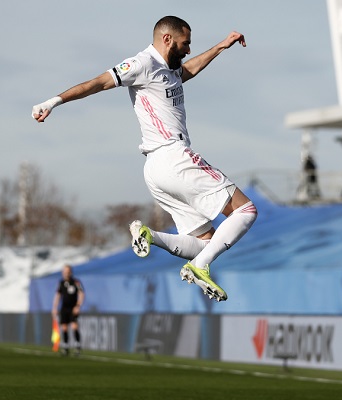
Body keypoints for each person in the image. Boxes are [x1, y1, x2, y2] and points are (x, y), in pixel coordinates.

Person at [32, 16, 257, 302]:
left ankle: (151, 236)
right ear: (167, 39)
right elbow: (98, 83)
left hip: (155, 170)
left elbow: (188, 69)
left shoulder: (170, 69)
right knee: (246, 210)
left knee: (207, 243)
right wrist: (53, 101)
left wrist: (222, 46)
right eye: (185, 43)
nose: (188, 50)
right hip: (174, 157)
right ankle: (200, 267)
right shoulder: (142, 64)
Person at [52, 265, 85, 356]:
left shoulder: (76, 282)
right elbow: (57, 296)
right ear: (63, 272)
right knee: (64, 327)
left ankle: (78, 347)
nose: (66, 273)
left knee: (74, 326)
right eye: (65, 271)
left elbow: (82, 294)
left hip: (73, 308)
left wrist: (78, 306)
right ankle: (65, 348)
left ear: (71, 272)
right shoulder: (61, 283)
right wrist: (54, 308)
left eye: (68, 271)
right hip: (64, 308)